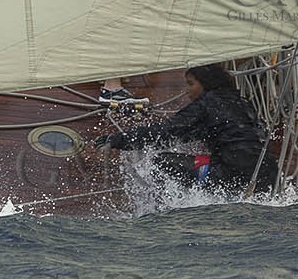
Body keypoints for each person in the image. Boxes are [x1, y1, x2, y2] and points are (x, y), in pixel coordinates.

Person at [97, 63, 278, 192]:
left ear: (206, 84)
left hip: (232, 174)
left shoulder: (208, 103)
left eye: (191, 84)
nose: (187, 90)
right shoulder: (240, 102)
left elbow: (166, 132)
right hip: (267, 174)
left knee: (161, 162)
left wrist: (119, 140)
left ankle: (176, 209)